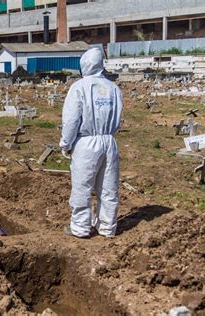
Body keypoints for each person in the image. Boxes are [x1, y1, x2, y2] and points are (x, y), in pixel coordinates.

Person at [59, 48, 123, 238]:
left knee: (82, 186)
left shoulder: (79, 87)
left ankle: (80, 228)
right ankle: (107, 227)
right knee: (108, 187)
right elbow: (118, 119)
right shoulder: (113, 88)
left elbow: (71, 120)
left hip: (86, 142)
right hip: (109, 141)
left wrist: (66, 144)